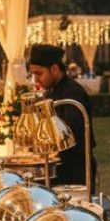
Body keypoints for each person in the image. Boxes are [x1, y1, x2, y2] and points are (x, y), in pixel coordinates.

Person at [28, 44, 97, 191]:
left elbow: (69, 129)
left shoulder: (72, 92)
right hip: (60, 166)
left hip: (75, 169)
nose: (36, 79)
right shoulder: (51, 91)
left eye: (39, 73)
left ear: (54, 69)